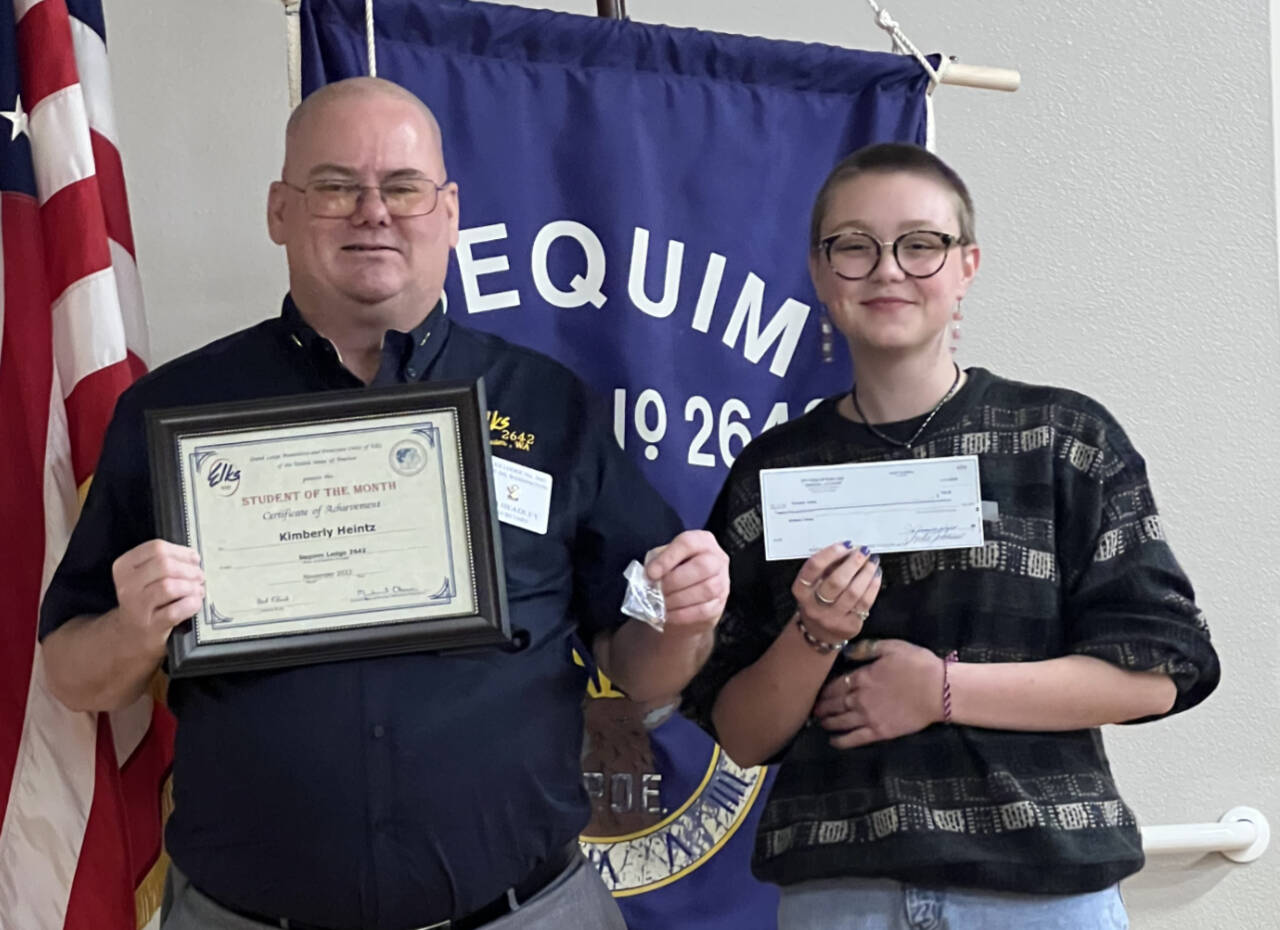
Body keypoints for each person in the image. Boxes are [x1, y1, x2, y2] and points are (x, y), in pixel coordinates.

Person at [40, 76, 729, 930]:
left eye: (402, 187)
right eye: (335, 186)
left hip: (526, 914)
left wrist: (686, 617)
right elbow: (73, 672)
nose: (374, 211)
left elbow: (637, 664)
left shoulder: (551, 406)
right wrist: (135, 626)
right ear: (279, 211)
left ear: (447, 211)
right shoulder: (173, 412)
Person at [682, 142, 1219, 930]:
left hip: (1040, 893)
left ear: (967, 265)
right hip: (841, 899)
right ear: (822, 273)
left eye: (920, 245)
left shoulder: (1061, 438)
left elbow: (1163, 672)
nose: (888, 270)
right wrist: (813, 634)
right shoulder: (775, 470)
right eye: (855, 246)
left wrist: (940, 690)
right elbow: (740, 731)